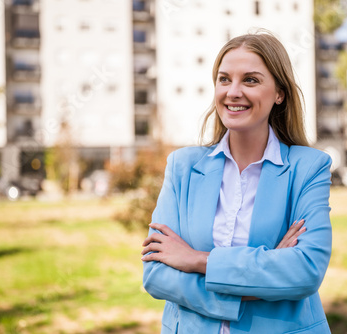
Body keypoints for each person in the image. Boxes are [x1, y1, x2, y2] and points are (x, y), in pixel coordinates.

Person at [141, 30, 332, 333]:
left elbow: (305, 271)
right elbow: (155, 273)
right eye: (224, 79)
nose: (233, 91)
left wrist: (196, 260)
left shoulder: (308, 167)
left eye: (251, 80)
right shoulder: (182, 167)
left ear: (279, 93)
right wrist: (255, 286)